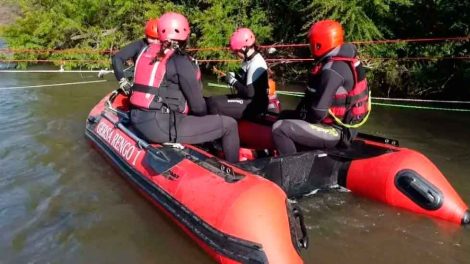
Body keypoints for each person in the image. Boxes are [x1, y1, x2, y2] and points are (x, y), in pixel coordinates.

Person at [128, 12, 240, 163]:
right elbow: (198, 107)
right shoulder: (180, 61)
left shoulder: (145, 51)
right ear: (184, 36)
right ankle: (236, 170)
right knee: (229, 125)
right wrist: (208, 119)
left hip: (137, 117)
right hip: (160, 126)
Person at [272, 20, 370, 155]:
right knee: (283, 115)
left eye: (312, 44)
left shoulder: (331, 70)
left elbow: (318, 113)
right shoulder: (346, 60)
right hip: (345, 127)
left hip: (336, 132)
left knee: (280, 129)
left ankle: (294, 174)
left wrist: (302, 117)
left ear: (319, 45)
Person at [206, 28, 269, 119]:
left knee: (214, 105)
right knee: (211, 100)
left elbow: (249, 93)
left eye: (236, 51)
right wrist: (232, 76)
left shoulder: (256, 63)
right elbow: (242, 79)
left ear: (244, 48)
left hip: (254, 106)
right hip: (246, 100)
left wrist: (233, 82)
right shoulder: (248, 60)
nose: (236, 54)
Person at [112, 18, 161, 93]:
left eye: (158, 39)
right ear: (147, 35)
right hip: (141, 87)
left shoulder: (168, 46)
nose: (155, 42)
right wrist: (122, 81)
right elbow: (117, 58)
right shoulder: (139, 45)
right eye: (152, 38)